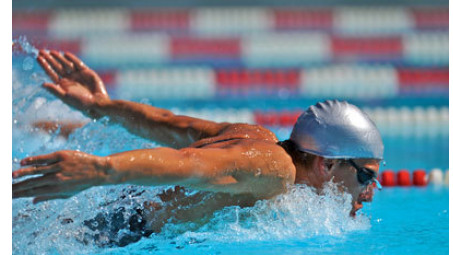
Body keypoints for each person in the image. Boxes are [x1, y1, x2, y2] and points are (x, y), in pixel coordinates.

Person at [13, 50, 383, 243]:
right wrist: (98, 170)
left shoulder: (257, 137)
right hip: (117, 231)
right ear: (327, 165)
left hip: (118, 211)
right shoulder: (276, 170)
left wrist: (101, 106)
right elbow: (188, 162)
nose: (370, 191)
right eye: (366, 175)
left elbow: (170, 125)